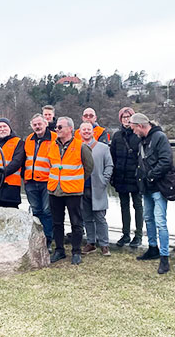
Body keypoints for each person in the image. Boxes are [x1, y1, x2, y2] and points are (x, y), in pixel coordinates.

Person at [130, 113, 174, 274]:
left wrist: (151, 175)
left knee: (160, 221)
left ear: (140, 126)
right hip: (146, 187)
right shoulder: (143, 140)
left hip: (158, 186)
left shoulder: (159, 137)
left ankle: (164, 257)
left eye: (134, 128)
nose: (133, 132)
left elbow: (166, 161)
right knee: (148, 218)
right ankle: (153, 248)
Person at [48, 116, 94, 265]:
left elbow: (89, 167)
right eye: (56, 127)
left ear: (70, 129)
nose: (57, 129)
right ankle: (59, 250)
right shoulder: (52, 146)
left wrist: (76, 180)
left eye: (60, 127)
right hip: (55, 190)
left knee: (76, 223)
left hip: (73, 191)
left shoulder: (81, 147)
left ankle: (75, 252)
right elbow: (51, 165)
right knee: (57, 223)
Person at [110, 107, 143, 248]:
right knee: (124, 206)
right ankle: (125, 234)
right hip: (121, 176)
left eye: (129, 117)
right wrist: (113, 176)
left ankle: (139, 235)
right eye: (124, 117)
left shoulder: (139, 135)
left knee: (138, 206)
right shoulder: (117, 136)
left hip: (135, 177)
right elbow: (112, 157)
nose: (127, 120)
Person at [79, 122, 114, 256]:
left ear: (93, 132)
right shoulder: (77, 147)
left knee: (100, 218)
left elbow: (109, 165)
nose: (86, 132)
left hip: (98, 187)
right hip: (82, 187)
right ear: (80, 132)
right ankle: (90, 243)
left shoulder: (103, 148)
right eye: (84, 130)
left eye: (89, 129)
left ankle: (104, 244)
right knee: (87, 217)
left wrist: (104, 180)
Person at [24, 114, 56, 250]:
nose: (37, 127)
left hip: (47, 180)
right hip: (30, 181)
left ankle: (48, 240)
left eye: (39, 124)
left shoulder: (54, 138)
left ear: (45, 124)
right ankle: (37, 239)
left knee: (47, 211)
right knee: (36, 211)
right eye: (35, 124)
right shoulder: (29, 139)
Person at [0, 118, 25, 208]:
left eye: (5, 126)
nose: (2, 129)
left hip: (11, 186)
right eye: (0, 127)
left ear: (10, 128)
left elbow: (16, 162)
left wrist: (1, 173)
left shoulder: (18, 142)